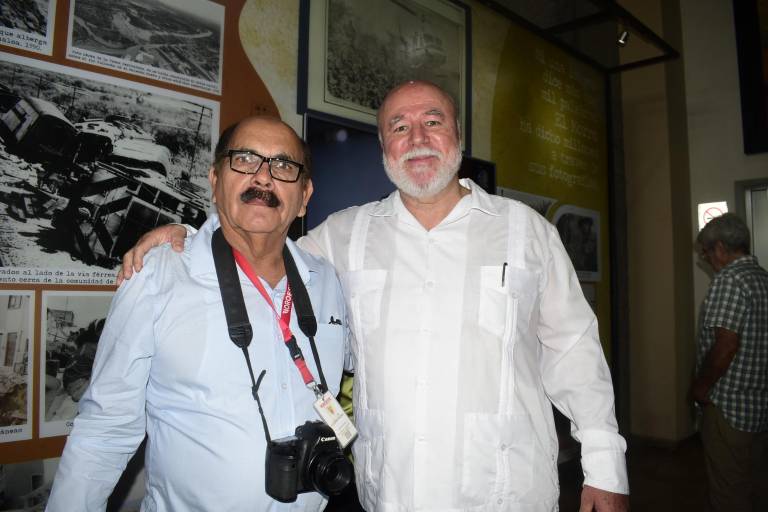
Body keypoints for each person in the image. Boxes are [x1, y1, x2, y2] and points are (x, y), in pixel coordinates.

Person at [120, 81, 629, 511]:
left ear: (458, 134)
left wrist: (605, 466)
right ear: (384, 147)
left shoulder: (527, 233)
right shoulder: (344, 236)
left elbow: (574, 348)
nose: (417, 138)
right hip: (391, 496)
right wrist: (182, 236)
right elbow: (258, 244)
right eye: (399, 127)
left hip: (506, 494)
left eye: (433, 121)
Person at [47, 117, 350, 511]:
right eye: (245, 159)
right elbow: (104, 430)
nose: (263, 177)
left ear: (305, 195)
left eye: (283, 166)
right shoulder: (158, 274)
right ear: (214, 179)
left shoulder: (327, 280)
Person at [690, 213, 768, 512]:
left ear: (721, 247)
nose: (707, 259)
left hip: (729, 409)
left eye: (707, 252)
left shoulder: (730, 280)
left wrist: (700, 388)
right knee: (757, 484)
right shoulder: (762, 278)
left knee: (729, 492)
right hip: (759, 408)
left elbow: (726, 345)